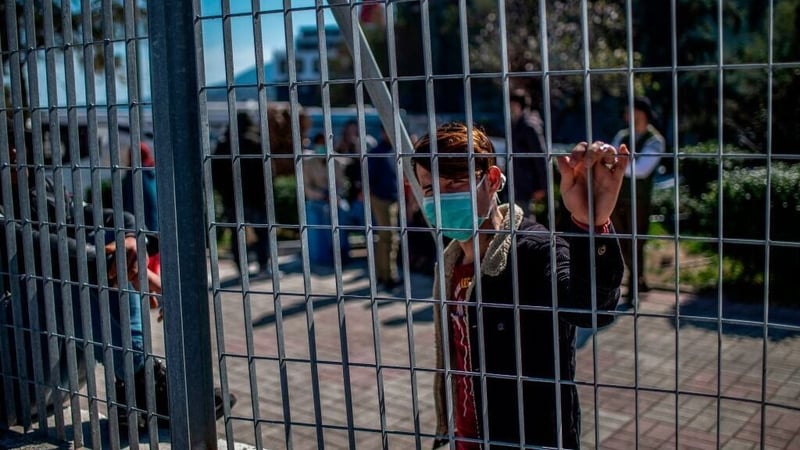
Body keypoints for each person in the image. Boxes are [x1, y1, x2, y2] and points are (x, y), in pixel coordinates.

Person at [0, 119, 234, 431]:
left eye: (18, 140)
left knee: (105, 251)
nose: (15, 150)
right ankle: (142, 384)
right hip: (10, 370)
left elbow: (101, 218)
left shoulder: (40, 185)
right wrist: (123, 263)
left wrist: (131, 239)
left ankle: (137, 388)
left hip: (49, 365)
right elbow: (30, 246)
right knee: (70, 274)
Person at [412, 123, 627, 449]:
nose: (443, 198)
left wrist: (591, 226)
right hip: (467, 439)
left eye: (456, 183)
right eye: (430, 189)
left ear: (494, 179)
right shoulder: (451, 263)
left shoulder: (536, 250)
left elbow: (590, 310)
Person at [609, 96, 666, 296]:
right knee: (621, 241)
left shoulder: (655, 140)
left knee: (636, 242)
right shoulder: (622, 136)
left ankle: (636, 282)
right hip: (618, 197)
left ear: (642, 112)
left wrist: (619, 165)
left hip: (639, 199)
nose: (626, 116)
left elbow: (642, 169)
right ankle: (637, 279)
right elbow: (612, 160)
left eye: (630, 111)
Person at [212, 112, 274, 277]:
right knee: (262, 232)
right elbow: (267, 171)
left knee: (236, 235)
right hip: (256, 198)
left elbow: (214, 173)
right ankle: (263, 266)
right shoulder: (255, 142)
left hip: (232, 199)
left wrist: (225, 192)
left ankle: (242, 269)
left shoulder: (224, 144)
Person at [302, 133, 345, 268]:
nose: (323, 147)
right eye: (320, 143)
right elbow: (306, 186)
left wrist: (335, 195)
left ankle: (341, 252)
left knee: (343, 212)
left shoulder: (336, 161)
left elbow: (341, 184)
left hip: (333, 198)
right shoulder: (308, 162)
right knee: (320, 215)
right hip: (316, 199)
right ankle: (322, 256)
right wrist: (321, 195)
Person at [334, 120, 375, 261]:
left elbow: (368, 168)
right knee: (340, 222)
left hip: (362, 194)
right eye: (349, 131)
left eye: (354, 130)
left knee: (366, 221)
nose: (351, 134)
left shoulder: (364, 144)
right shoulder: (341, 146)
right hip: (346, 193)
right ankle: (343, 253)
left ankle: (370, 253)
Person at [366, 129, 400, 289]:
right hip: (381, 198)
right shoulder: (377, 152)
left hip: (392, 197)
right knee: (389, 238)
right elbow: (369, 176)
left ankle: (383, 274)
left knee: (386, 238)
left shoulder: (393, 150)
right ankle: (388, 275)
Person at [509, 89, 548, 219]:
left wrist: (542, 186)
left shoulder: (529, 126)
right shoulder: (517, 125)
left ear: (517, 105)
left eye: (512, 105)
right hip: (518, 183)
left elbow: (540, 156)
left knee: (525, 220)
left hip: (526, 185)